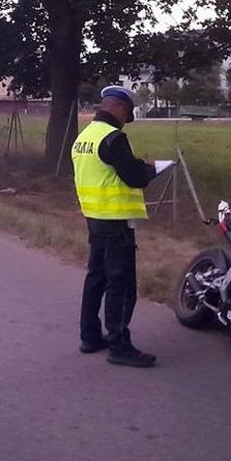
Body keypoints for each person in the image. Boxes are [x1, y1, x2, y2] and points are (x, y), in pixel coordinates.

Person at [72, 85, 160, 368]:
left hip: (94, 218)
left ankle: (89, 336)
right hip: (116, 221)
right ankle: (119, 345)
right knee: (120, 284)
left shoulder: (83, 137)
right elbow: (135, 178)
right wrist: (150, 169)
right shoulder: (113, 138)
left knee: (96, 277)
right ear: (120, 108)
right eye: (128, 113)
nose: (127, 119)